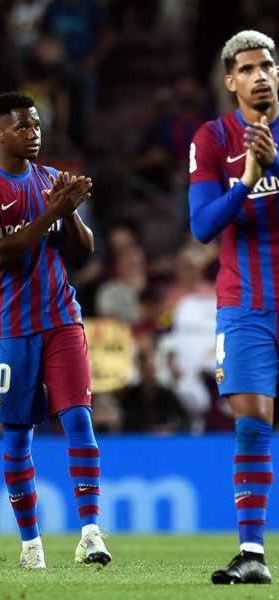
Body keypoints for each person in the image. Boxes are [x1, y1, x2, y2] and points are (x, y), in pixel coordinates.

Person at [0, 92, 110, 569]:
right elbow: (0, 254)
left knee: (78, 419)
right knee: (17, 434)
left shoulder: (50, 180)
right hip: (11, 326)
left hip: (62, 318)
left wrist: (68, 211)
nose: (33, 132)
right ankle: (31, 545)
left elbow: (83, 253)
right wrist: (50, 213)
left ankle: (90, 531)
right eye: (22, 126)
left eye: (37, 124)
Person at [188, 30, 279, 585]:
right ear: (230, 81)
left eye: (267, 65)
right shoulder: (212, 138)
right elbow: (202, 225)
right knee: (253, 421)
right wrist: (247, 179)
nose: (260, 75)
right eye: (247, 69)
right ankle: (252, 553)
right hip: (245, 304)